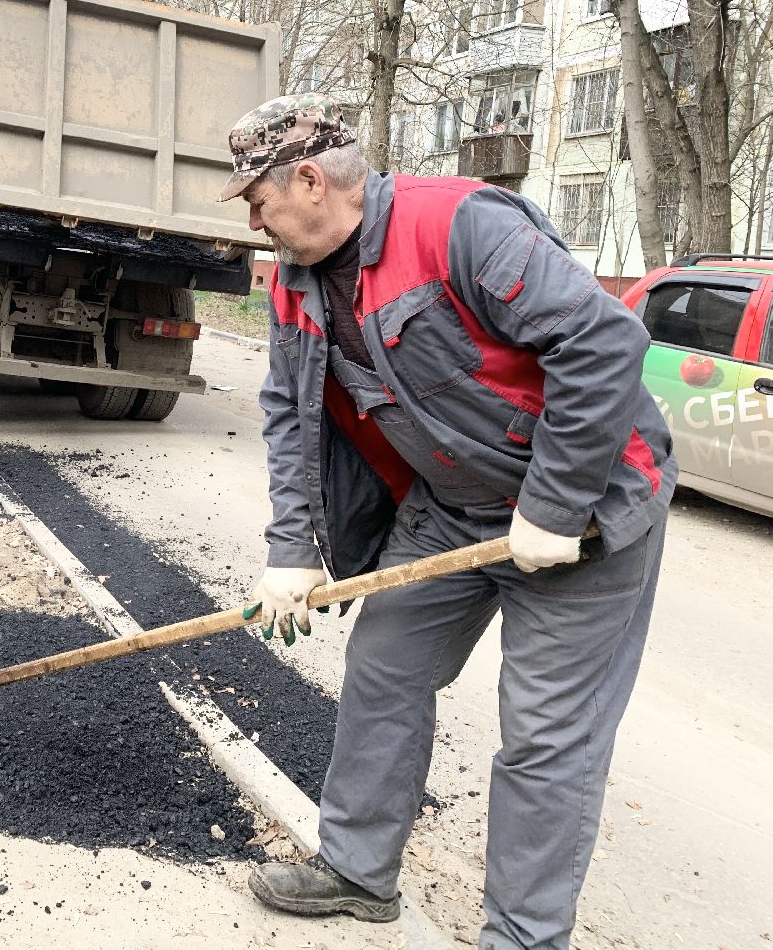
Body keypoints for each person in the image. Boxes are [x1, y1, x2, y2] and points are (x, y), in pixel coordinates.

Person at [218, 94, 675, 950]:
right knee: (385, 670)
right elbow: (288, 411)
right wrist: (291, 551)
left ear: (310, 180)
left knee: (545, 736)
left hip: (585, 516)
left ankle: (524, 937)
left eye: (257, 198)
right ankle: (358, 872)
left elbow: (604, 344)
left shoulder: (457, 223)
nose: (254, 219)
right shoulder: (298, 282)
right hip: (452, 511)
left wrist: (554, 501)